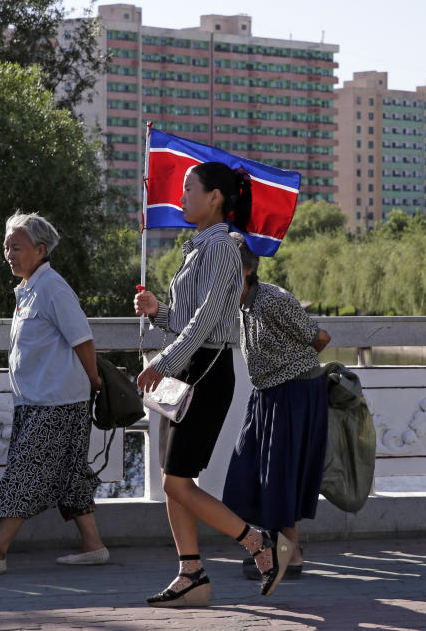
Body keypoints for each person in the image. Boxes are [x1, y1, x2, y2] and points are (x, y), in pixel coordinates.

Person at [133, 162, 294, 605]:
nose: (181, 196)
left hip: (204, 370)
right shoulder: (200, 247)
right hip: (190, 368)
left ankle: (260, 544)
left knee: (177, 482)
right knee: (172, 478)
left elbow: (206, 323)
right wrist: (157, 312)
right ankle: (191, 575)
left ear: (215, 197)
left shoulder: (223, 247)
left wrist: (163, 363)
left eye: (189, 188)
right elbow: (190, 319)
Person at [0, 212, 108, 575]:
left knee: (24, 470)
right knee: (72, 475)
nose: (8, 254)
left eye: (16, 247)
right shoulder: (29, 288)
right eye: (6, 247)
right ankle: (93, 546)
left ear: (40, 250)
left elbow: (83, 339)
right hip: (37, 400)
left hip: (57, 401)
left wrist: (93, 380)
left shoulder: (52, 287)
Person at [223, 231, 331, 581]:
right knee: (249, 470)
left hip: (294, 392)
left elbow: (320, 338)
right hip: (267, 392)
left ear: (247, 271)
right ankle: (270, 545)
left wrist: (292, 370)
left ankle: (290, 555)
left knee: (281, 473)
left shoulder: (273, 300)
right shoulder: (239, 302)